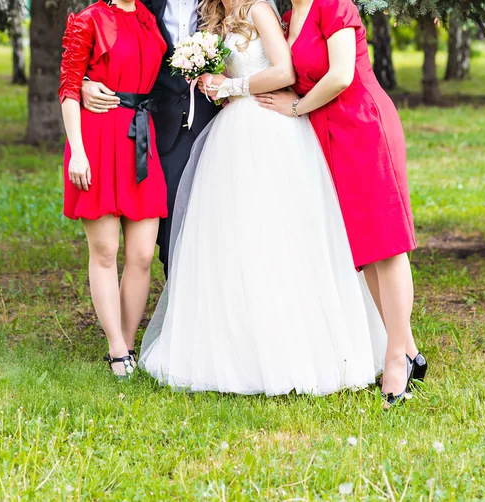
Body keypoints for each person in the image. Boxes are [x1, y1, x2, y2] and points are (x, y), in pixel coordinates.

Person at [138, 0, 388, 399]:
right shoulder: (216, 19)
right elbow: (228, 77)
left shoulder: (260, 10)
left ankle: (298, 350)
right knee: (235, 243)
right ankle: (236, 343)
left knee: (278, 236)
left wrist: (232, 86)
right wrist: (212, 83)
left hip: (270, 130)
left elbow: (284, 71)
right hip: (232, 132)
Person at [255, 0, 427, 403]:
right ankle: (410, 352)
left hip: (364, 126)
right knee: (362, 251)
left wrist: (295, 108)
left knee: (388, 245)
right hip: (328, 138)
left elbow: (340, 75)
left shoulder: (334, 6)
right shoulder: (286, 17)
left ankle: (395, 360)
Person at [59, 0, 168, 378]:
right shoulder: (89, 19)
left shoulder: (148, 20)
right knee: (105, 251)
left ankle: (128, 340)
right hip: (97, 139)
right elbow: (69, 89)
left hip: (141, 137)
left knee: (140, 255)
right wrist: (77, 152)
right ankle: (116, 349)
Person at [80, 0, 220, 277]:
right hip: (154, 126)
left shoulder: (221, 3)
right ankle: (175, 310)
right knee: (167, 231)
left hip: (216, 122)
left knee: (216, 223)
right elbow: (108, 46)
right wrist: (84, 82)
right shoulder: (140, 3)